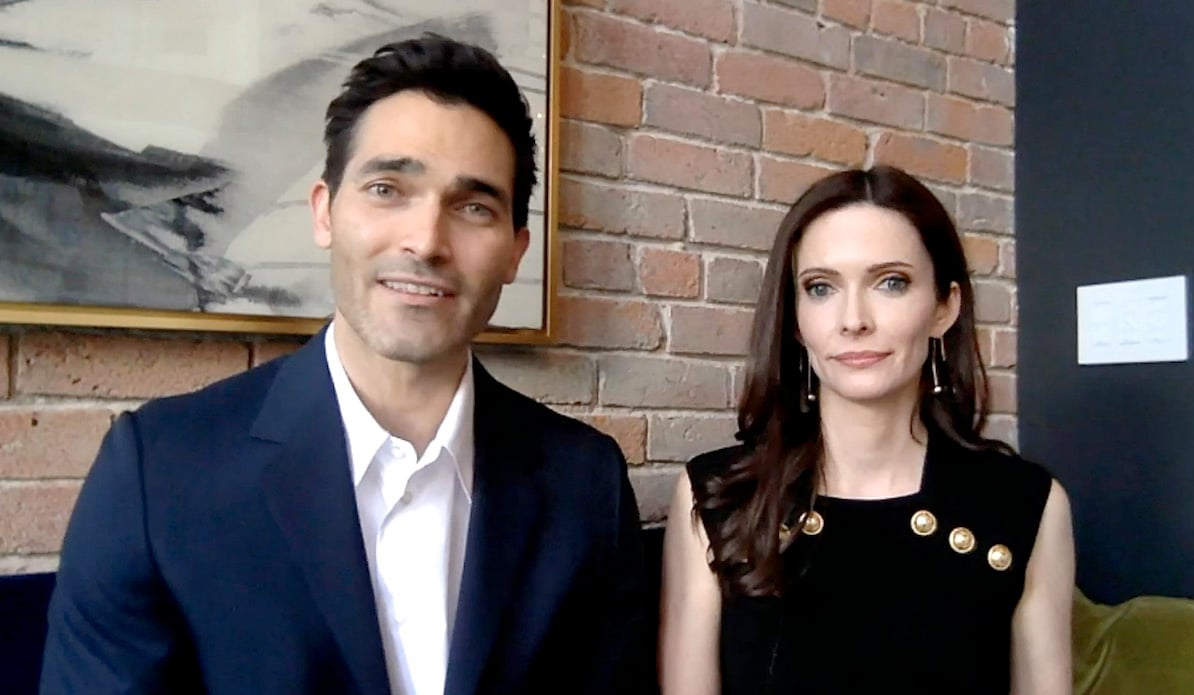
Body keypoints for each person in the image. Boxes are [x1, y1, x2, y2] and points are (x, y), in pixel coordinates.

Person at [41, 35, 647, 695]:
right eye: (388, 188)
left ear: (514, 250)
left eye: (473, 206)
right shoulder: (156, 473)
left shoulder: (587, 484)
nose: (426, 241)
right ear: (325, 212)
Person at [659, 166, 1075, 694]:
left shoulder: (1026, 505)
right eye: (820, 288)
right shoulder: (717, 498)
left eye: (891, 282)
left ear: (945, 306)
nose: (853, 319)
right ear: (795, 318)